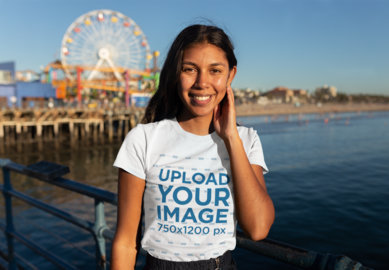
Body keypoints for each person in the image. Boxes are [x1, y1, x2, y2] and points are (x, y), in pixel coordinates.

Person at [111, 24, 275, 270]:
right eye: (190, 69)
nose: (202, 82)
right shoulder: (143, 139)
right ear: (175, 73)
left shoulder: (246, 140)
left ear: (231, 75)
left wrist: (231, 138)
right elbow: (125, 242)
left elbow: (258, 228)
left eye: (215, 70)